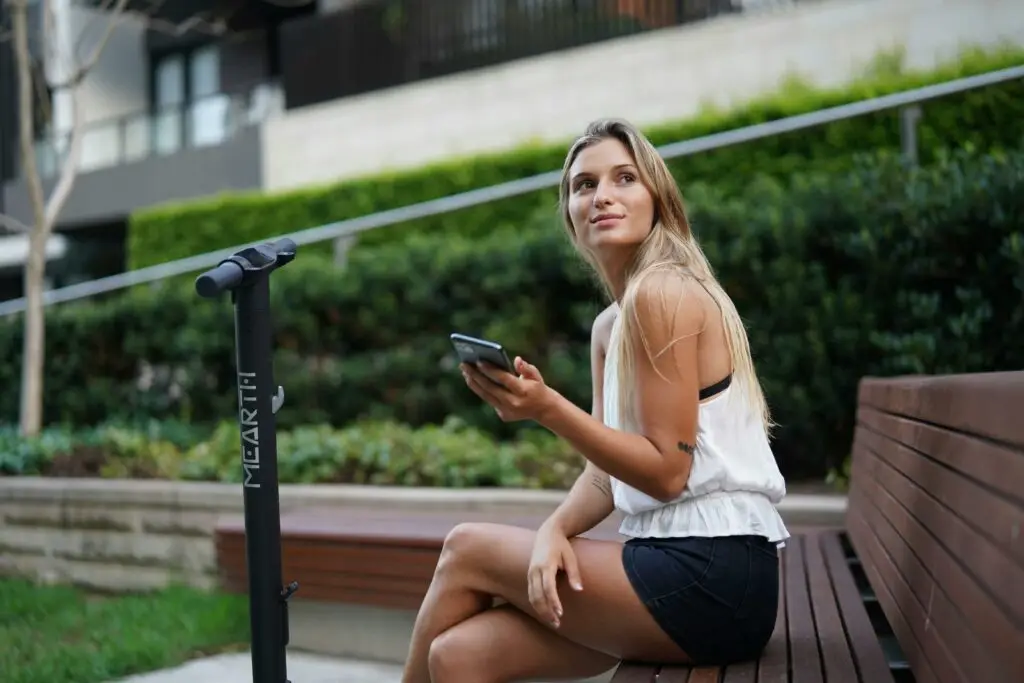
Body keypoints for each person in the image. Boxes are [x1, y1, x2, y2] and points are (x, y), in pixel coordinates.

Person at [400, 118, 790, 683]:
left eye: (624, 178)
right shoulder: (611, 324)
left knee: (466, 549)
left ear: (658, 198)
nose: (602, 195)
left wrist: (547, 409)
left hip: (713, 577)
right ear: (570, 215)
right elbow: (605, 479)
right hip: (674, 573)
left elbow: (665, 474)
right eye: (584, 185)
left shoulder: (664, 292)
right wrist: (555, 529)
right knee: (459, 655)